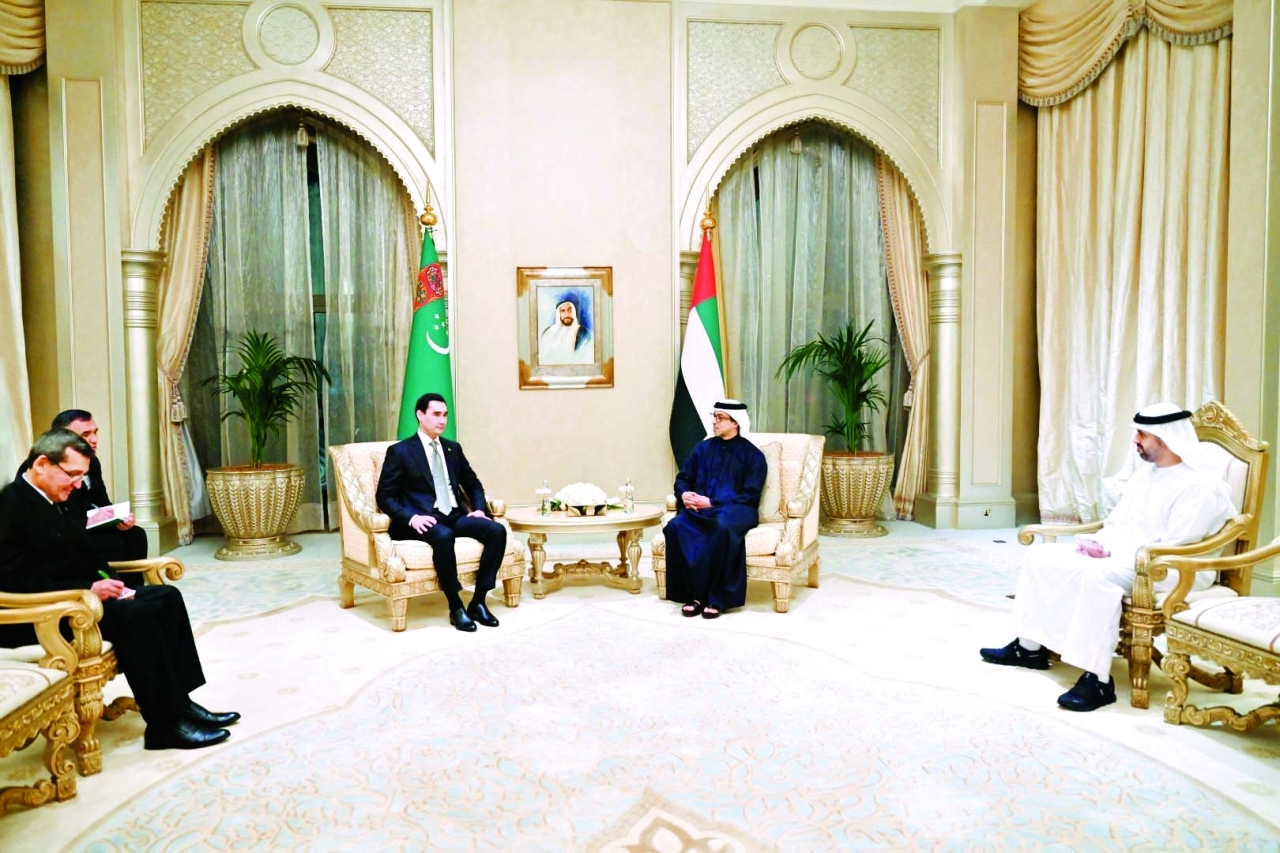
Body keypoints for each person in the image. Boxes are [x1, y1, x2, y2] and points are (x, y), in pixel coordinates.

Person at [980, 403, 1237, 712]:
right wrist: (1099, 544)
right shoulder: (1146, 476)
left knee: (1098, 576)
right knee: (1041, 555)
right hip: (1132, 557)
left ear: (1165, 437)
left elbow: (1176, 544)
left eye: (1142, 434)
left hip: (1174, 568)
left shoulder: (1199, 487)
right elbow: (1119, 524)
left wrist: (1112, 553)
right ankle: (1029, 648)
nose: (1136, 440)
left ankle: (1098, 680)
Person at [0, 429, 239, 749]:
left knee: (166, 598)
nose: (77, 484)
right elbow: (12, 583)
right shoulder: (10, 506)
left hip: (80, 601)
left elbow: (89, 555)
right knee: (134, 615)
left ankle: (181, 704)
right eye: (72, 475)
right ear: (43, 464)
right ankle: (164, 727)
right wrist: (88, 588)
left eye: (81, 476)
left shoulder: (61, 499)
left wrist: (116, 585)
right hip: (43, 615)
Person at [375, 393, 508, 632]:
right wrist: (411, 518)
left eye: (445, 415)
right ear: (420, 415)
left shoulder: (452, 449)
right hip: (422, 519)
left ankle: (478, 602)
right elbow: (384, 496)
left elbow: (473, 484)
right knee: (443, 536)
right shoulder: (400, 451)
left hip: (454, 515)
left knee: (496, 531)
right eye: (436, 414)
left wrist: (479, 509)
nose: (442, 420)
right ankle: (456, 606)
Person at [17, 410, 149, 587]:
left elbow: (102, 501)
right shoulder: (40, 469)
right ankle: (103, 591)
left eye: (95, 432)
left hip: (89, 526)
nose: (94, 439)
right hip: (62, 535)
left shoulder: (92, 462)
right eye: (86, 434)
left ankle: (131, 590)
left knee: (136, 535)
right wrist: (90, 519)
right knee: (111, 543)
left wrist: (119, 517)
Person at [664, 400, 767, 619]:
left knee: (720, 527)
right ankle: (693, 595)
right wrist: (684, 495)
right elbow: (683, 477)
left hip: (737, 510)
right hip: (701, 509)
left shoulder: (753, 456)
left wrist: (711, 502)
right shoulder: (702, 448)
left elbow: (749, 495)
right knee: (676, 526)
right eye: (714, 416)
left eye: (720, 417)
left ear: (735, 422)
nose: (714, 421)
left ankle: (716, 597)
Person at [538, 296, 593, 364]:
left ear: (574, 312)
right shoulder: (547, 332)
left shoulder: (583, 332)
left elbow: (585, 357)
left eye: (570, 310)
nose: (567, 314)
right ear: (558, 314)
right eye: (563, 311)